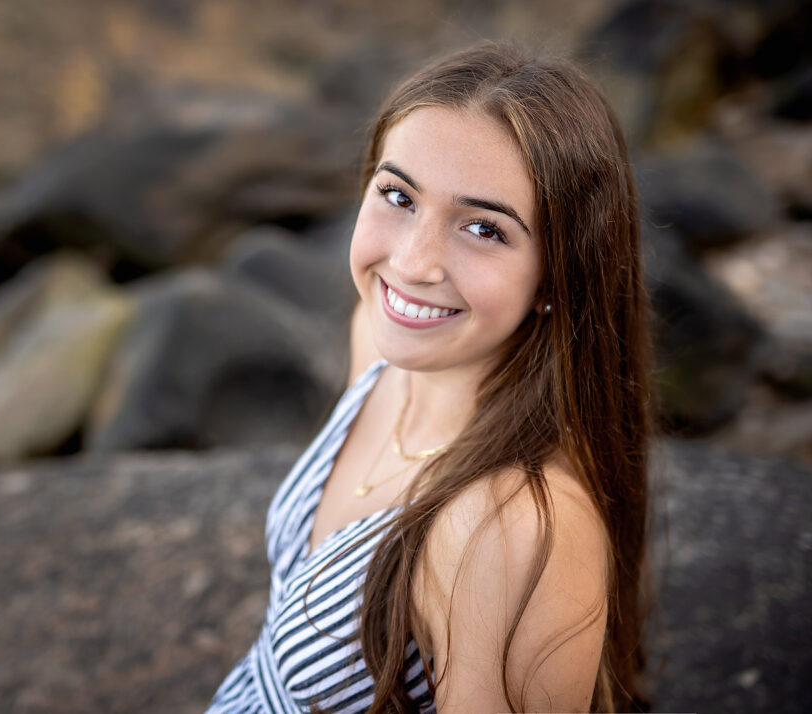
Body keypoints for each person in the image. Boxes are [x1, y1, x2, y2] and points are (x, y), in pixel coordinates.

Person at [205, 39, 652, 713]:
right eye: (398, 195)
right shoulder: (380, 345)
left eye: (484, 229)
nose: (413, 263)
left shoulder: (507, 526)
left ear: (556, 276)